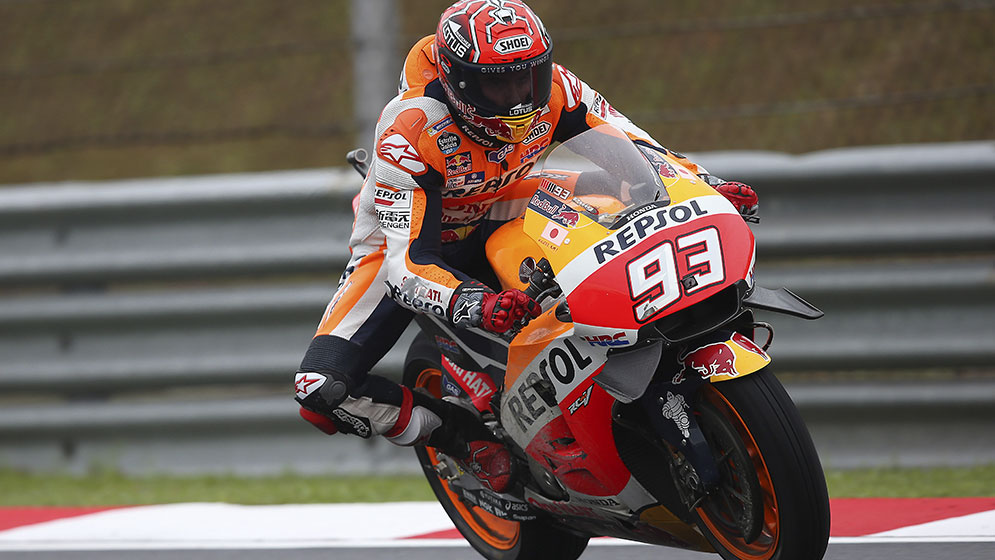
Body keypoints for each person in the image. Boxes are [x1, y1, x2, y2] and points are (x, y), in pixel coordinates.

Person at [293, 0, 758, 494]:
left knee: (617, 195)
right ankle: (459, 436)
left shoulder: (556, 86)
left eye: (527, 78)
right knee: (319, 390)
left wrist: (705, 184)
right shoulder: (410, 129)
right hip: (411, 248)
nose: (519, 99)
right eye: (499, 84)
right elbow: (406, 265)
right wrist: (476, 302)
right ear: (458, 82)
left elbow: (634, 142)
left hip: (507, 209)